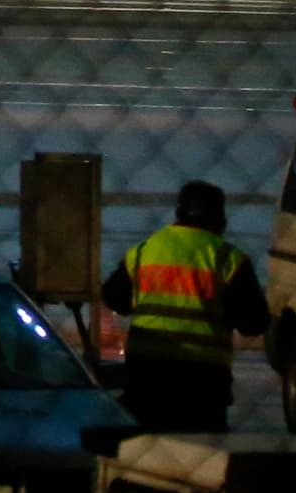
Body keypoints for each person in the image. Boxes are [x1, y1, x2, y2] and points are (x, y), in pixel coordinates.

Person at [99, 180, 270, 433]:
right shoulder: (227, 258)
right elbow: (254, 322)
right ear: (220, 218)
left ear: (179, 212)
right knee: (202, 453)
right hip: (203, 379)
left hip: (147, 375)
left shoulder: (145, 250)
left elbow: (113, 297)